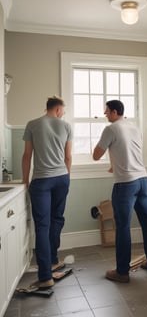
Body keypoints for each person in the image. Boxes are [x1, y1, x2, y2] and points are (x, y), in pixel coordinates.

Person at [93, 100, 147, 283]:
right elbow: (128, 150)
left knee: (122, 227)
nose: (105, 115)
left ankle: (122, 272)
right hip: (142, 180)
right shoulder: (134, 128)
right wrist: (115, 164)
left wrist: (110, 159)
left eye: (106, 112)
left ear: (114, 112)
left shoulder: (111, 129)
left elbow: (96, 155)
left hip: (125, 184)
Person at [22, 96, 72, 288]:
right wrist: (67, 178)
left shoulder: (32, 124)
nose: (63, 114)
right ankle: (52, 259)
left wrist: (25, 181)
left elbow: (27, 156)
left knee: (42, 226)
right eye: (63, 111)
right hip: (61, 179)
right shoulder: (66, 126)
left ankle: (45, 277)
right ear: (58, 109)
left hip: (41, 181)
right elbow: (68, 157)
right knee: (57, 219)